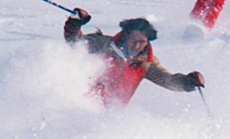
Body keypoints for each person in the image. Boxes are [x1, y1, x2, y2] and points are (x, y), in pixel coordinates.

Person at [63, 8, 205, 106]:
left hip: (112, 115)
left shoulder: (145, 63)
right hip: (82, 106)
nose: (137, 46)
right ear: (125, 37)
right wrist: (74, 25)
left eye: (141, 42)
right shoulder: (104, 44)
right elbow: (76, 43)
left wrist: (187, 82)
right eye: (133, 41)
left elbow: (168, 80)